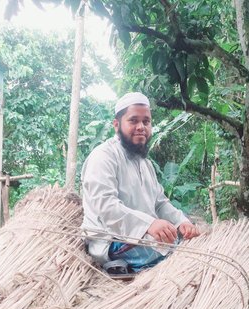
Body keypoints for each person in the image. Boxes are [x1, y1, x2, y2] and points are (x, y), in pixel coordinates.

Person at [81, 92, 200, 272]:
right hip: (112, 240)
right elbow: (106, 207)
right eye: (133, 121)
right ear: (116, 125)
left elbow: (160, 204)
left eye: (146, 121)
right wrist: (149, 224)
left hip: (145, 236)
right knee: (172, 253)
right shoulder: (103, 156)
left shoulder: (146, 164)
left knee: (187, 240)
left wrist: (182, 223)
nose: (141, 127)